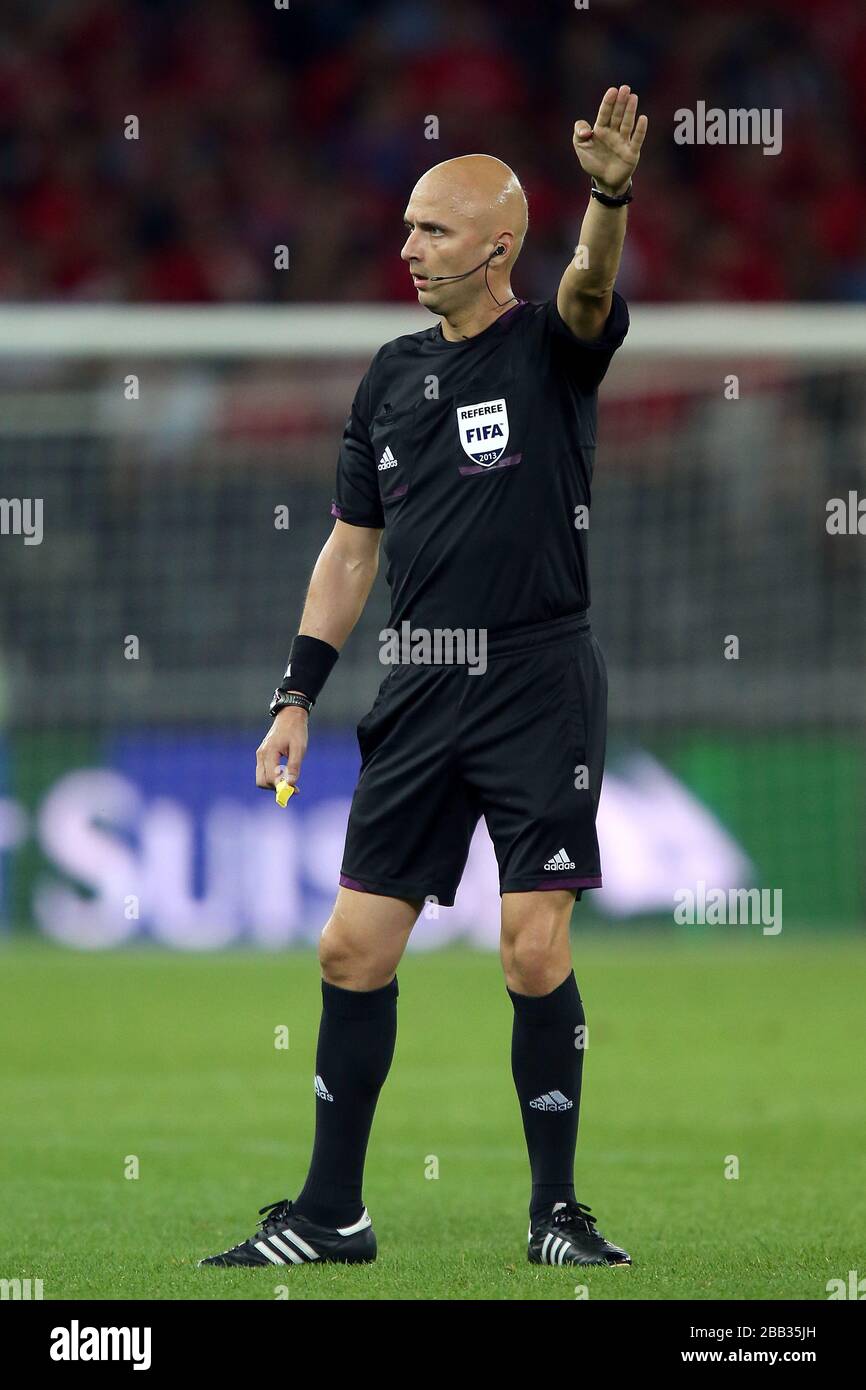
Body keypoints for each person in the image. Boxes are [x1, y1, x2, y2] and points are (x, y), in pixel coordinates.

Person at [200, 85, 647, 1271]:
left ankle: (555, 1212)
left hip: (538, 677)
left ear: (498, 246)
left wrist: (607, 194)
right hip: (419, 689)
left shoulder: (550, 349)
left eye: (431, 230)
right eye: (404, 227)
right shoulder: (388, 377)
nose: (405, 247)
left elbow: (591, 287)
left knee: (531, 949)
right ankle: (331, 1215)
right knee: (350, 951)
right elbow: (351, 548)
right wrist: (294, 693)